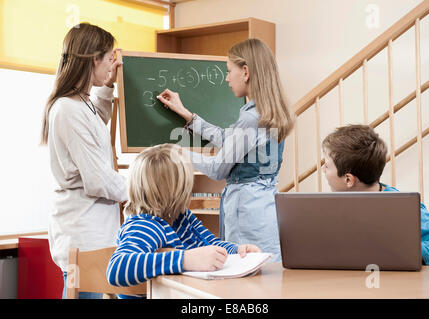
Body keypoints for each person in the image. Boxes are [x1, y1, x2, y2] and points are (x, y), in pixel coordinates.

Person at [156, 38, 294, 262]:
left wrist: (177, 152)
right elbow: (229, 139)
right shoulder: (270, 112)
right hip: (265, 209)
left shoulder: (250, 118)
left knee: (244, 275)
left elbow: (218, 169)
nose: (227, 78)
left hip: (245, 212)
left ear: (246, 71)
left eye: (230, 71)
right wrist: (189, 117)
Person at [106, 144, 261, 298]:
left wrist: (236, 250)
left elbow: (208, 242)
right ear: (177, 191)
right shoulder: (144, 225)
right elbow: (117, 268)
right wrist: (186, 260)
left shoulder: (181, 217)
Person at [40, 23, 126, 298]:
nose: (110, 65)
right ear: (93, 59)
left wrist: (109, 83)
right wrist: (140, 190)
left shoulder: (79, 104)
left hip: (92, 234)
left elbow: (96, 121)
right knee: (82, 293)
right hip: (83, 235)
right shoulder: (67, 109)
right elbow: (98, 180)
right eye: (108, 60)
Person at [321, 124, 429, 268]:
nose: (323, 170)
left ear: (349, 180)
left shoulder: (402, 207)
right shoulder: (330, 208)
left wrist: (405, 251)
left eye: (326, 165)